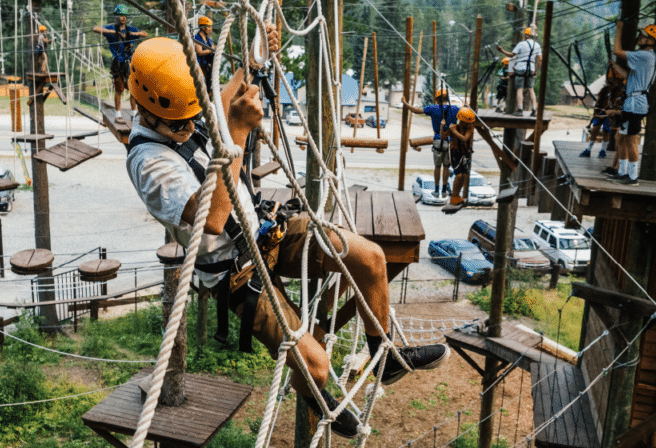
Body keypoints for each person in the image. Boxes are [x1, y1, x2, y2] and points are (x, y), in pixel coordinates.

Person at [125, 36, 450, 439]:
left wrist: (254, 55)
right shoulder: (147, 162)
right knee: (315, 365)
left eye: (194, 116)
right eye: (180, 124)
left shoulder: (181, 110)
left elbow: (224, 102)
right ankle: (317, 392)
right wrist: (239, 133)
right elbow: (212, 218)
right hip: (235, 272)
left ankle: (385, 358)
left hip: (267, 232)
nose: (192, 127)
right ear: (145, 109)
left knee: (371, 258)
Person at [606, 21, 656, 186]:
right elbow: (628, 76)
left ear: (651, 41)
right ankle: (622, 172)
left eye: (643, 36)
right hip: (632, 102)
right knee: (621, 138)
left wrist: (619, 29)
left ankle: (632, 177)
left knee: (630, 141)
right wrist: (615, 66)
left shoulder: (645, 56)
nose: (640, 37)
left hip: (636, 103)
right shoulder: (646, 58)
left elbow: (617, 51)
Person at [93, 4, 148, 122]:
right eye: (120, 15)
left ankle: (134, 113)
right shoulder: (112, 28)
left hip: (129, 62)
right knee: (119, 89)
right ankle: (118, 114)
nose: (122, 18)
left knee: (133, 88)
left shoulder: (130, 29)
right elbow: (96, 29)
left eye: (124, 16)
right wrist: (112, 32)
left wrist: (133, 35)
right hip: (118, 62)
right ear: (116, 17)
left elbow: (145, 33)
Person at [402, 89, 458, 197]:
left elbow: (415, 110)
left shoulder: (433, 108)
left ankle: (436, 190)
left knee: (437, 167)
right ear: (447, 98)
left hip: (438, 139)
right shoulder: (454, 109)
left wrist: (404, 103)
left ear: (437, 99)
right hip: (450, 141)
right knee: (446, 166)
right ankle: (444, 190)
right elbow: (468, 112)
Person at [496, 27, 541, 116]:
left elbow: (512, 55)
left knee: (519, 89)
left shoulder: (521, 44)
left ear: (526, 35)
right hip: (531, 68)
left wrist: (502, 50)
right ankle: (534, 110)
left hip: (521, 68)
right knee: (531, 89)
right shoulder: (537, 45)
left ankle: (520, 110)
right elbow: (540, 59)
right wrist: (536, 70)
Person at [580, 67, 624, 159]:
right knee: (595, 130)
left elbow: (618, 104)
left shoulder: (619, 92)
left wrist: (613, 112)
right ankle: (588, 149)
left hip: (610, 115)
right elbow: (598, 101)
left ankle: (603, 151)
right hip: (600, 112)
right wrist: (596, 111)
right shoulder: (604, 89)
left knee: (606, 131)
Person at [446, 107, 476, 206]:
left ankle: (457, 195)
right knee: (459, 175)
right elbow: (443, 136)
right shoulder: (454, 127)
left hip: (465, 154)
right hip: (456, 154)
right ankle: (454, 196)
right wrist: (444, 128)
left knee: (464, 176)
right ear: (462, 122)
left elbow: (464, 138)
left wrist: (454, 132)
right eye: (468, 123)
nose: (470, 125)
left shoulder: (469, 129)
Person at [193, 16, 216, 96]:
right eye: (209, 27)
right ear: (203, 28)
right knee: (202, 87)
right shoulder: (196, 38)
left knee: (208, 86)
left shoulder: (209, 40)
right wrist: (211, 49)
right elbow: (199, 52)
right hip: (200, 66)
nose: (210, 29)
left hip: (208, 66)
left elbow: (212, 50)